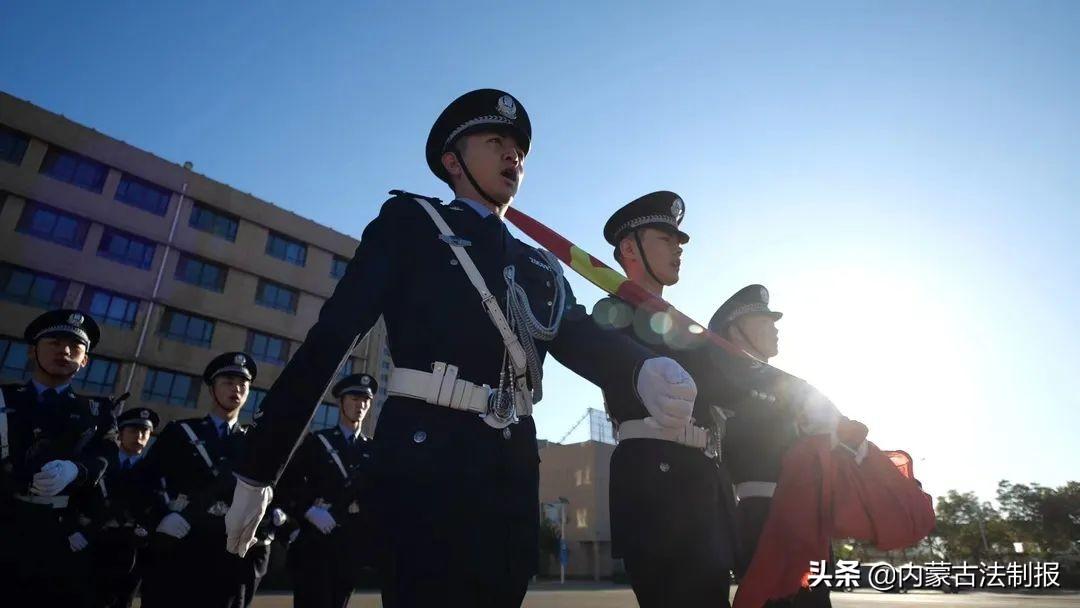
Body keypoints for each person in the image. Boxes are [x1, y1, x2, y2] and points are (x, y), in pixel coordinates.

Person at [224, 88, 699, 608]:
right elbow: (331, 339)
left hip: (510, 474)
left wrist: (640, 368)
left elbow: (579, 335)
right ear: (452, 161)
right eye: (495, 141)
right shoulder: (412, 226)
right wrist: (259, 468)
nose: (512, 155)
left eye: (518, 148)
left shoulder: (540, 264)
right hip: (426, 465)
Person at [594, 191, 736, 607]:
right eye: (665, 237)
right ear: (628, 248)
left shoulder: (688, 332)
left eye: (679, 241)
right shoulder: (611, 314)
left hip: (703, 483)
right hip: (655, 484)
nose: (678, 248)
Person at [711, 285, 831, 607]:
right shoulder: (716, 383)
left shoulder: (796, 386)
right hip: (761, 520)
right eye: (763, 320)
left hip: (809, 520)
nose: (774, 327)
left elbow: (840, 431)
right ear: (734, 330)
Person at [138, 352, 281, 608]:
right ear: (211, 388)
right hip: (182, 545)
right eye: (227, 381)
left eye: (243, 384)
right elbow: (144, 481)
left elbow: (268, 493)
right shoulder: (180, 433)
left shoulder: (253, 442)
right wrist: (160, 517)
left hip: (230, 554)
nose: (236, 389)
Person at [0, 309, 115, 608]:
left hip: (60, 537)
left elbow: (106, 456)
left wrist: (76, 471)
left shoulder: (98, 412)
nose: (64, 351)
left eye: (75, 347)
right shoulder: (4, 400)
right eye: (54, 341)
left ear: (85, 361)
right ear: (32, 351)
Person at [279, 373, 379, 608]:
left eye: (366, 399)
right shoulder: (317, 442)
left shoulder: (372, 450)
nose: (361, 405)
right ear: (340, 402)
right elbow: (286, 485)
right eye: (354, 398)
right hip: (315, 545)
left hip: (348, 548)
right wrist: (308, 511)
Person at [81, 406, 159, 608]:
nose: (139, 436)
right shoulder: (102, 463)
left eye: (145, 432)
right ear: (121, 433)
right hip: (94, 542)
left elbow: (157, 507)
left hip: (130, 547)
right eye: (133, 430)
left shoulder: (154, 471)